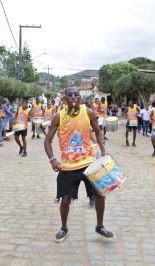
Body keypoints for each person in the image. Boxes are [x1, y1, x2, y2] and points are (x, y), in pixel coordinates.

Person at [44, 86, 114, 243]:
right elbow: (47, 140)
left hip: (89, 164)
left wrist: (102, 150)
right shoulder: (58, 117)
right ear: (65, 99)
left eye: (76, 94)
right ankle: (63, 228)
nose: (74, 97)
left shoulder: (88, 112)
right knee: (65, 199)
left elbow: (97, 130)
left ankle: (100, 226)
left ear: (80, 98)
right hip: (68, 166)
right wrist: (53, 159)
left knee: (100, 195)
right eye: (70, 95)